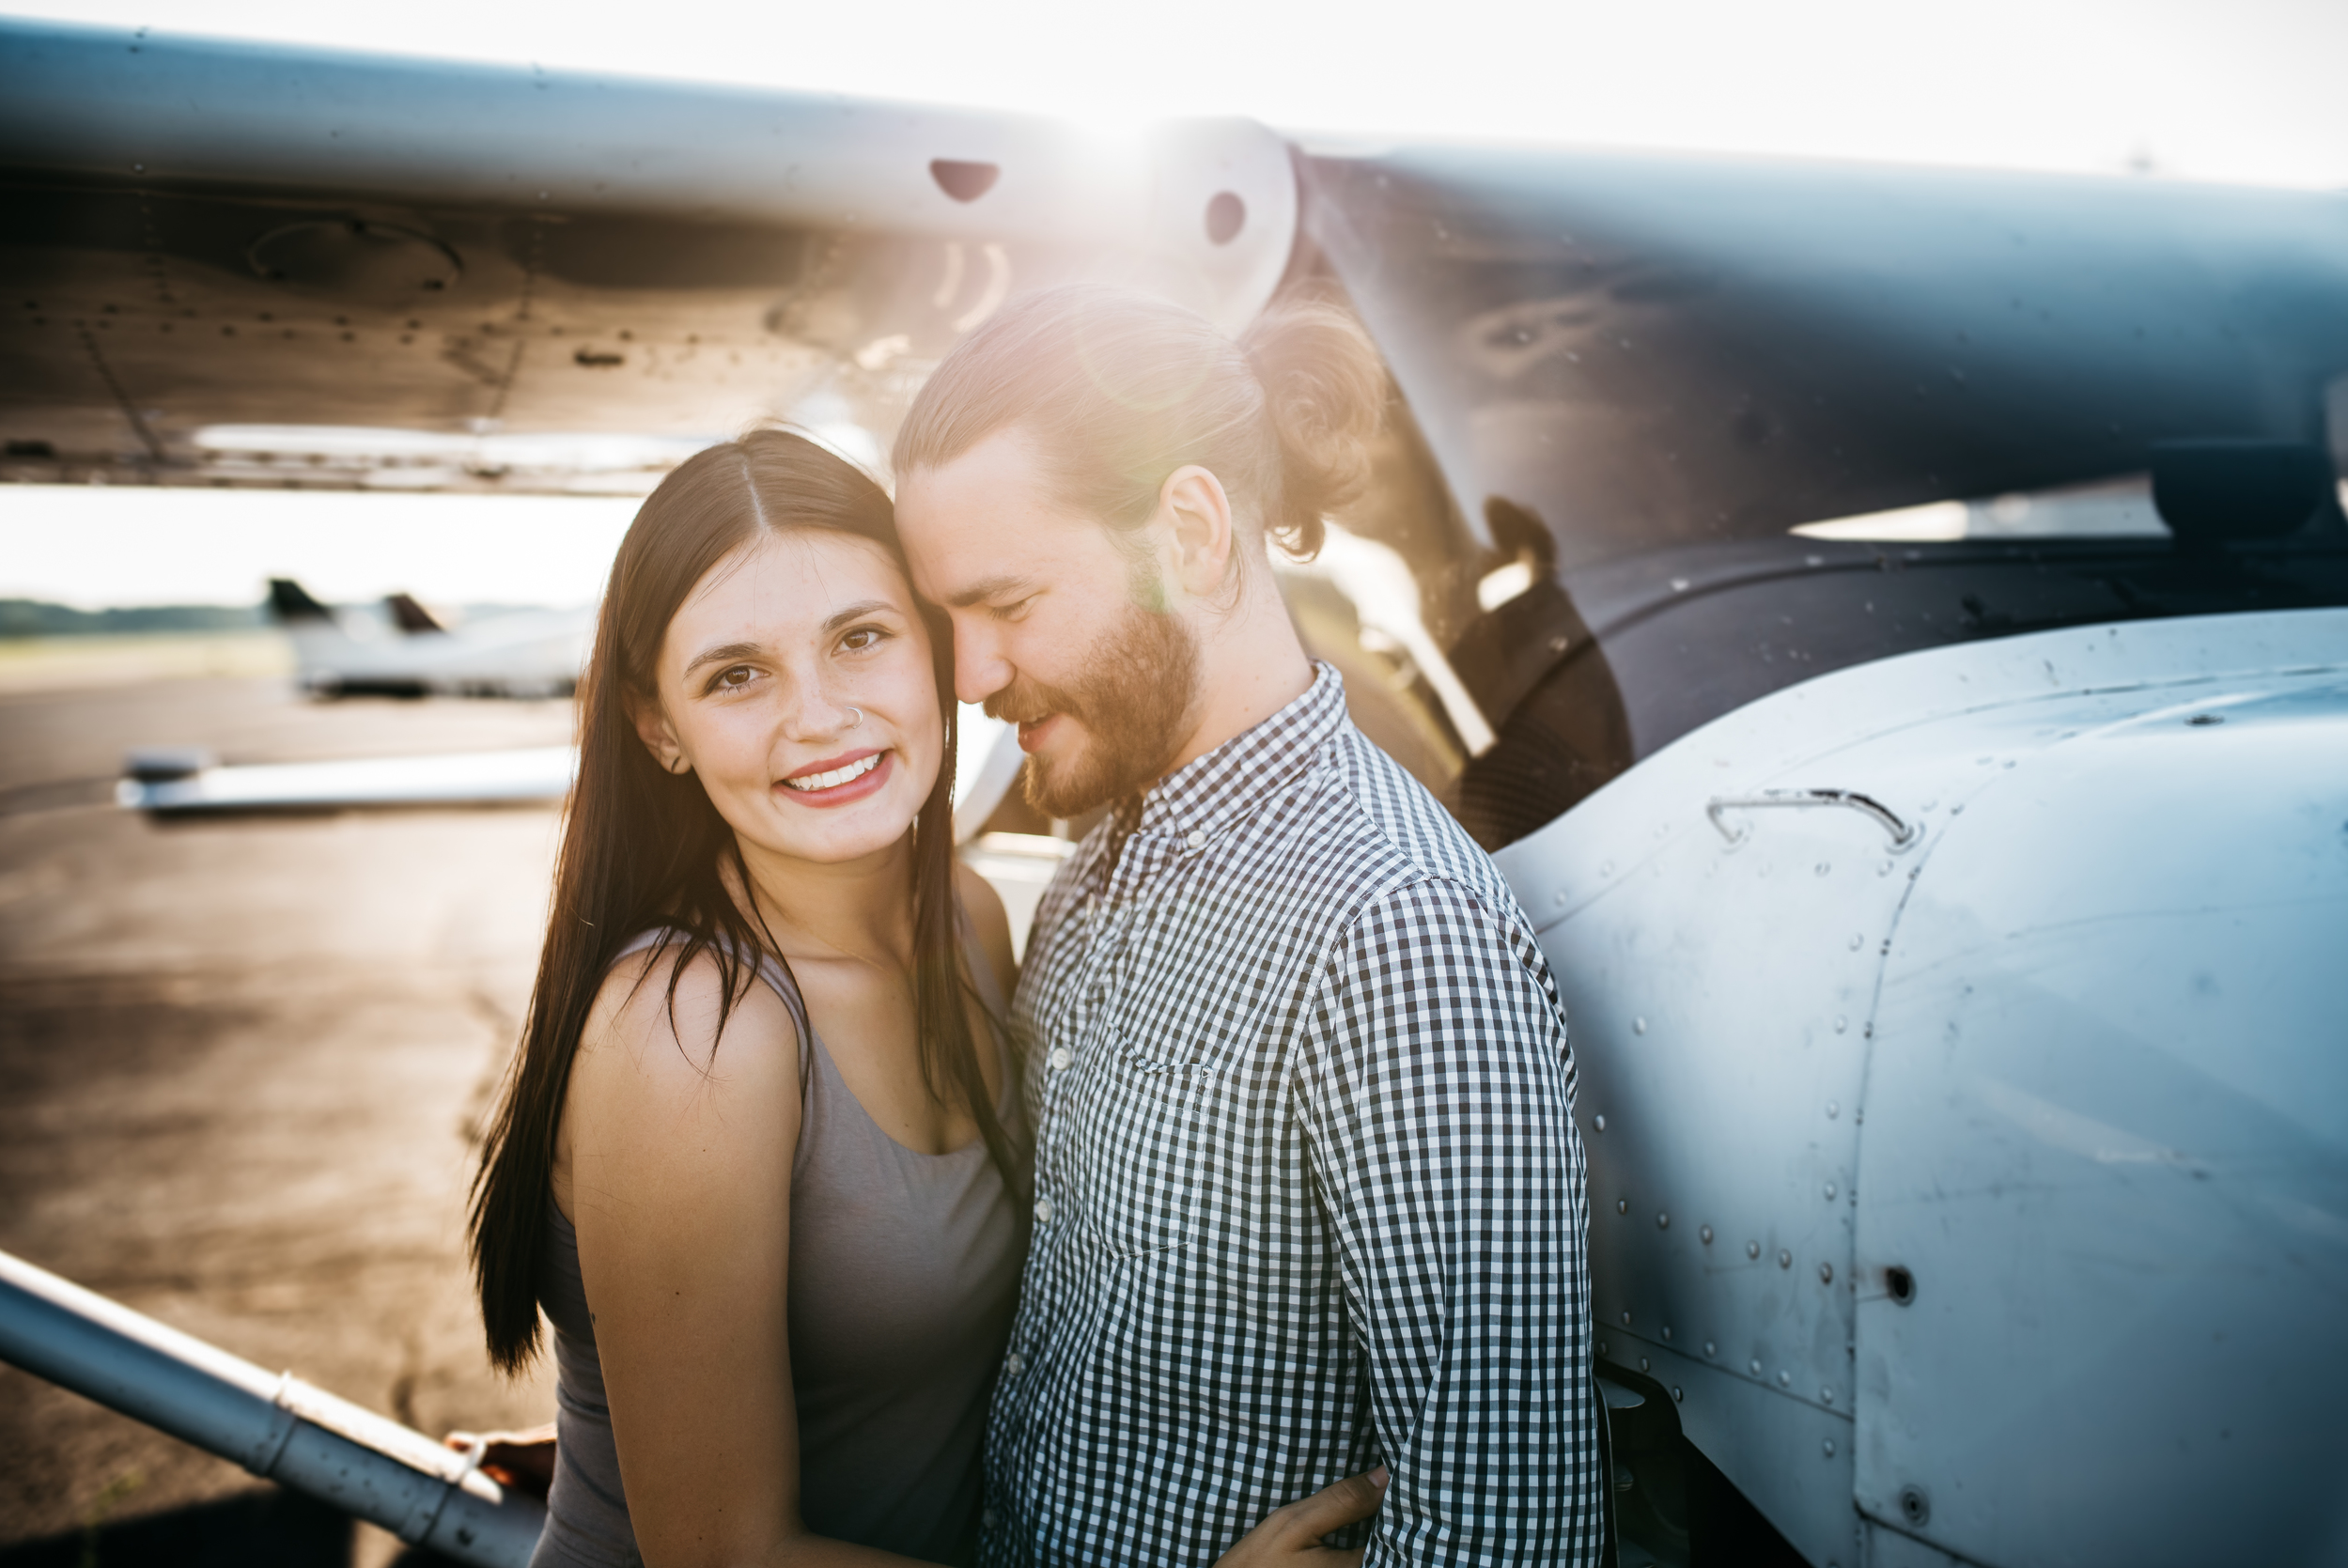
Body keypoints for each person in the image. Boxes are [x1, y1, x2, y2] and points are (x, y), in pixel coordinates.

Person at [463, 428, 1382, 1568]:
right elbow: (721, 1556)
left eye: (861, 638)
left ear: (938, 646)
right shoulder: (692, 1029)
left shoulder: (968, 921)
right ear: (660, 726)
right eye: (736, 674)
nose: (819, 715)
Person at [892, 287, 1601, 1566]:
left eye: (1006, 602)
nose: (966, 675)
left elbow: (1510, 1531)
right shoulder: (1093, 867)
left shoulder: (1394, 938)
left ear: (1191, 532)